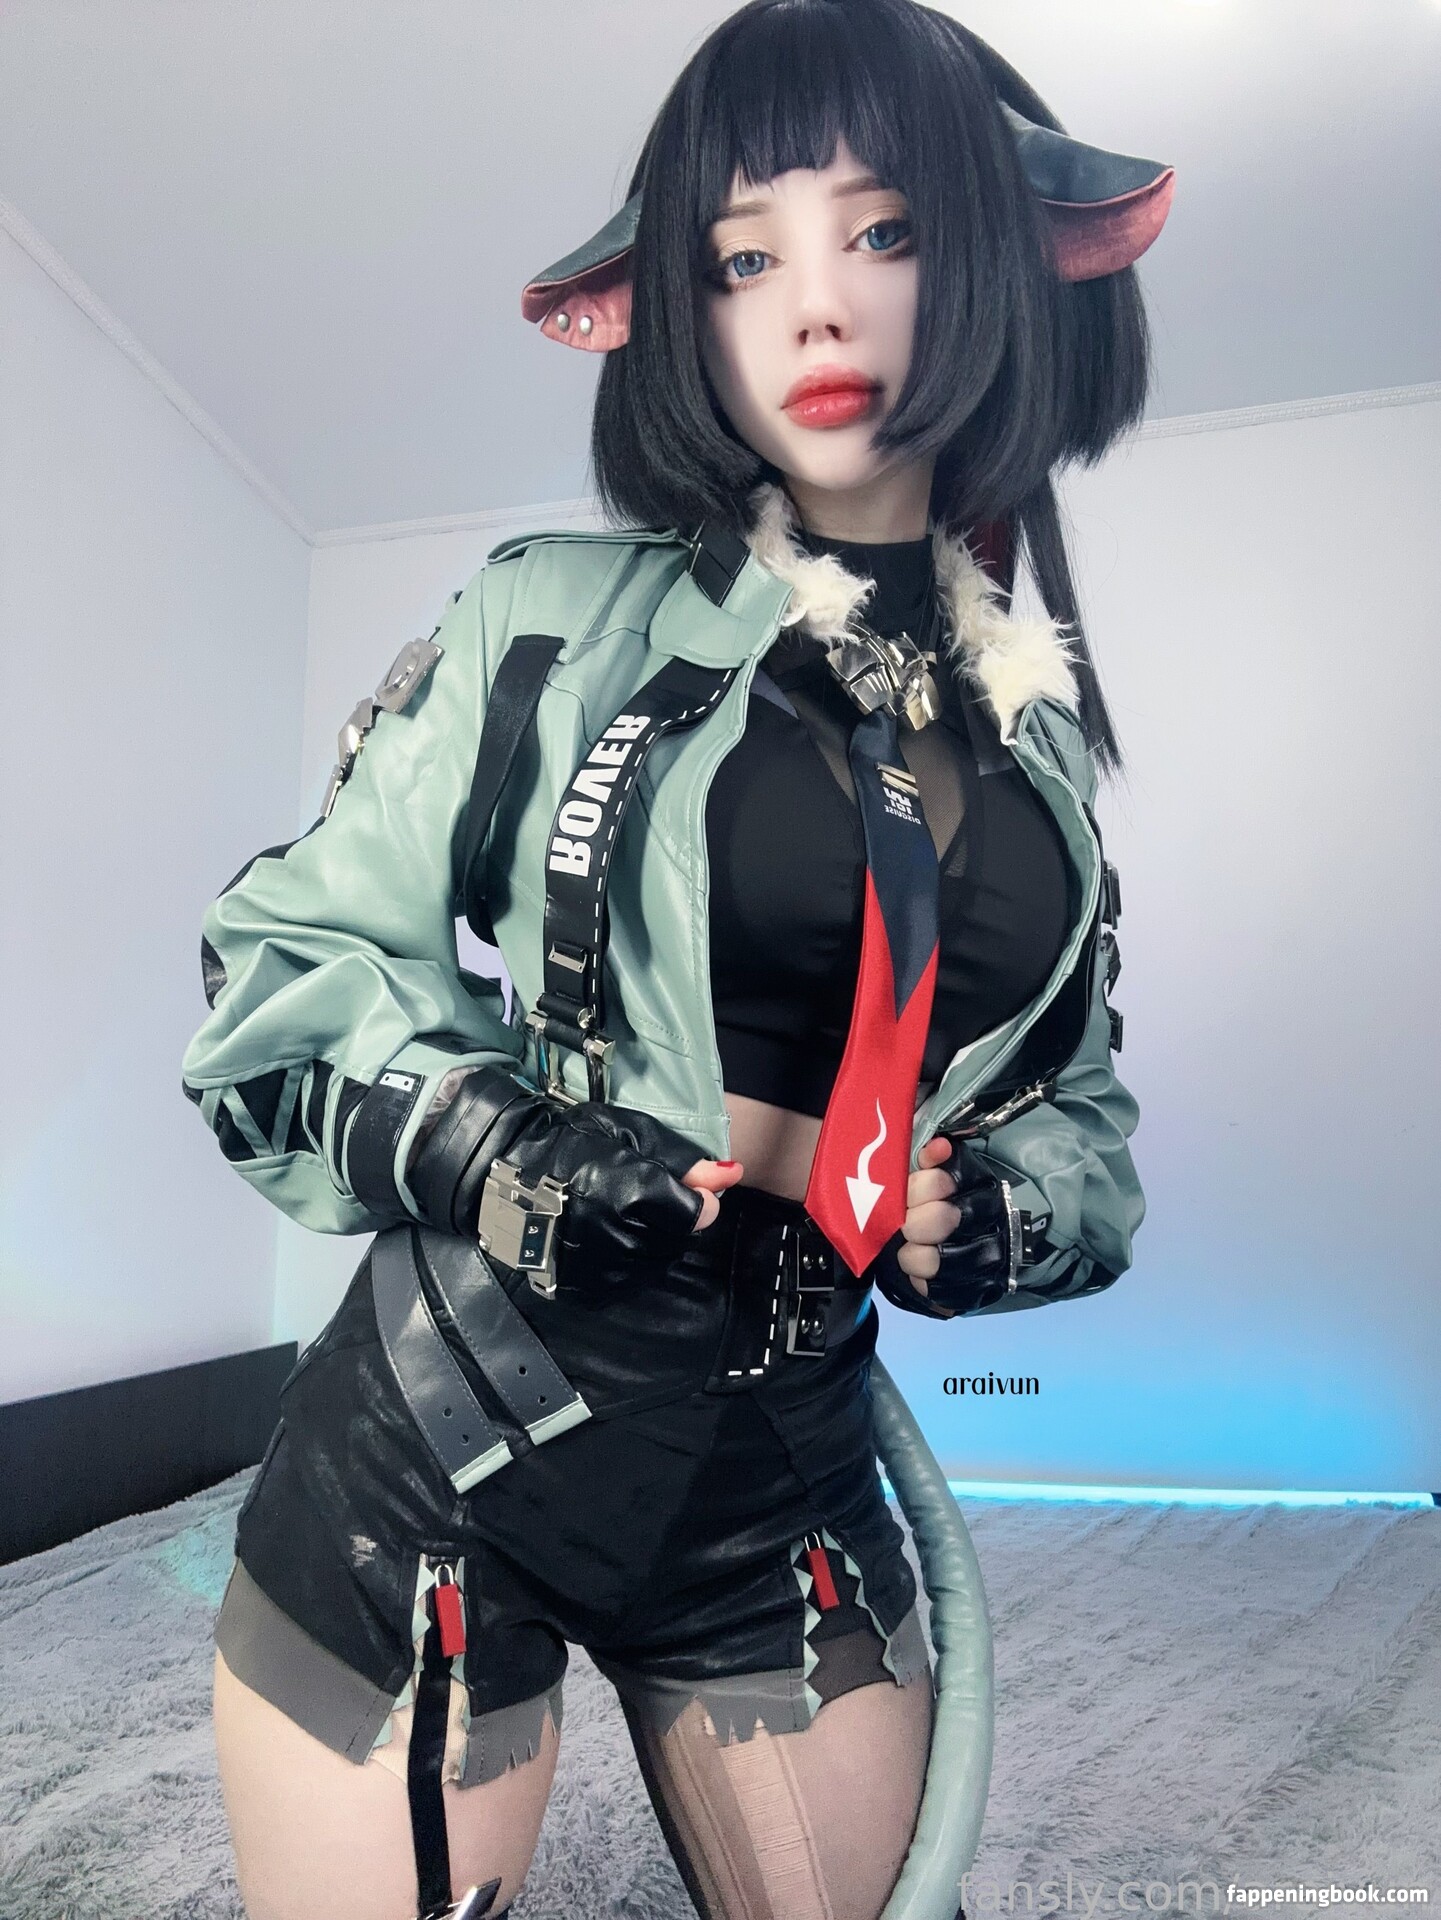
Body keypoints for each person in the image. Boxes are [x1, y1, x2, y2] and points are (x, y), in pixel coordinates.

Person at [183, 3, 1167, 1916]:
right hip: (448, 1447)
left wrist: (1001, 1214)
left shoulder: (1036, 749)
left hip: (787, 1480)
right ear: (676, 312)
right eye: (741, 257)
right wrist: (492, 1144)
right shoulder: (550, 622)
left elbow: (1083, 1115)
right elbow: (283, 966)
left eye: (882, 230)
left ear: (998, 249)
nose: (817, 305)